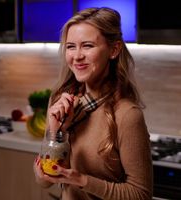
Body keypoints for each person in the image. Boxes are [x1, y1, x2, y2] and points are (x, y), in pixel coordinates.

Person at [33, 7, 153, 200]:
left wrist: (82, 180)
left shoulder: (127, 114)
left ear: (114, 50)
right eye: (71, 46)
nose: (77, 56)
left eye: (87, 46)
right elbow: (45, 180)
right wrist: (56, 132)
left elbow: (140, 195)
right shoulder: (60, 101)